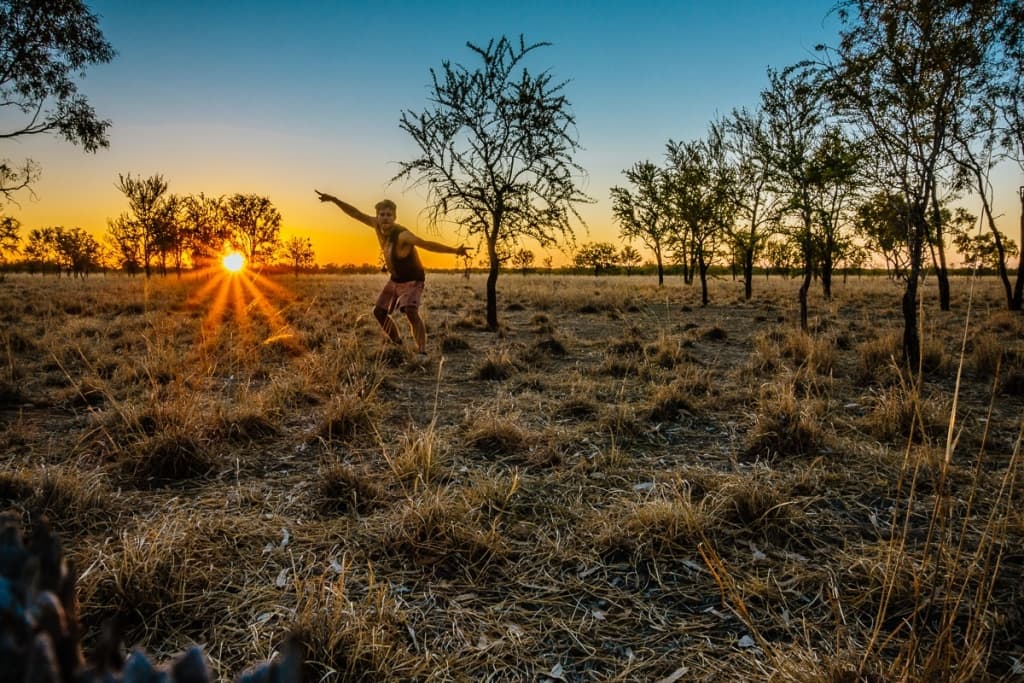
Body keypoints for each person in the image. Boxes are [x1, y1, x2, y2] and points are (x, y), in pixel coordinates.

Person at [315, 190, 469, 355]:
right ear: (378, 216)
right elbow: (354, 213)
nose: (385, 218)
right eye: (382, 214)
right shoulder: (375, 225)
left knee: (411, 312)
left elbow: (426, 244)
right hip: (395, 279)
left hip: (413, 280)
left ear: (395, 217)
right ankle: (398, 344)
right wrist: (334, 199)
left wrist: (455, 250)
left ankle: (422, 352)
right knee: (379, 312)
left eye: (389, 215)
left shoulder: (402, 235)